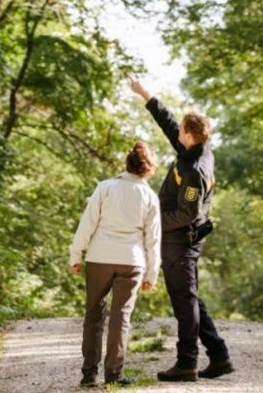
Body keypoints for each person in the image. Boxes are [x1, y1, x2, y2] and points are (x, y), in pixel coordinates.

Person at [129, 76, 234, 382]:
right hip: (178, 241)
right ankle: (219, 356)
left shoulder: (195, 171)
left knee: (184, 301)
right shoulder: (193, 149)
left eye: (182, 132)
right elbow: (167, 122)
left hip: (180, 241)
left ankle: (187, 362)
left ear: (190, 136)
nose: (178, 133)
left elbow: (187, 214)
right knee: (190, 297)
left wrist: (153, 220)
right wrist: (145, 94)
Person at [69, 141, 162, 388]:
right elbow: (153, 240)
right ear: (148, 169)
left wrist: (75, 255)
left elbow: (87, 223)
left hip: (99, 257)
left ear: (127, 163)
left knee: (94, 314)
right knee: (121, 318)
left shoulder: (106, 187)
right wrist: (151, 273)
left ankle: (89, 374)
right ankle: (113, 375)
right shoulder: (150, 196)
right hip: (132, 262)